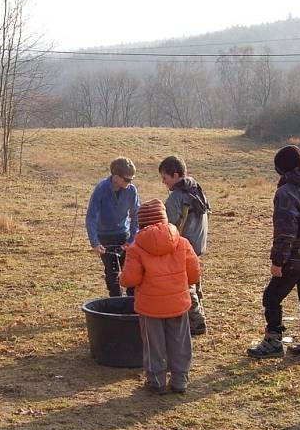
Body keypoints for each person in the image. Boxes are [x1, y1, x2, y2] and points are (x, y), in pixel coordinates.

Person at [247, 145, 300, 359]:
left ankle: (273, 341)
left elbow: (285, 230)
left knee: (271, 297)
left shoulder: (286, 193)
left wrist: (278, 261)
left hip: (295, 257)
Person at [120, 198, 200, 394]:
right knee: (180, 341)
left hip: (150, 307)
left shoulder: (136, 248)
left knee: (154, 344)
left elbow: (129, 280)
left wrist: (121, 276)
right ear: (165, 219)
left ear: (141, 223)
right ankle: (180, 380)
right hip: (178, 304)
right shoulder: (182, 242)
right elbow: (195, 273)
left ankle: (156, 381)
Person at [159, 155, 210, 336]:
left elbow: (170, 226)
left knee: (186, 285)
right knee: (195, 281)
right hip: (198, 245)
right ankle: (199, 314)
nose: (164, 182)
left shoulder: (177, 198)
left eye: (165, 177)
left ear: (175, 175)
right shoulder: (197, 190)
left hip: (184, 246)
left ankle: (196, 322)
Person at [85, 157, 140, 297]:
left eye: (132, 180)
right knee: (112, 273)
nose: (130, 183)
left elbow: (136, 217)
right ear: (116, 177)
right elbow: (91, 216)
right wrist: (95, 243)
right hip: (105, 236)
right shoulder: (101, 190)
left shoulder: (132, 191)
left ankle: (132, 302)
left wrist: (132, 239)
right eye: (127, 180)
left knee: (130, 270)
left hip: (124, 234)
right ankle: (116, 303)